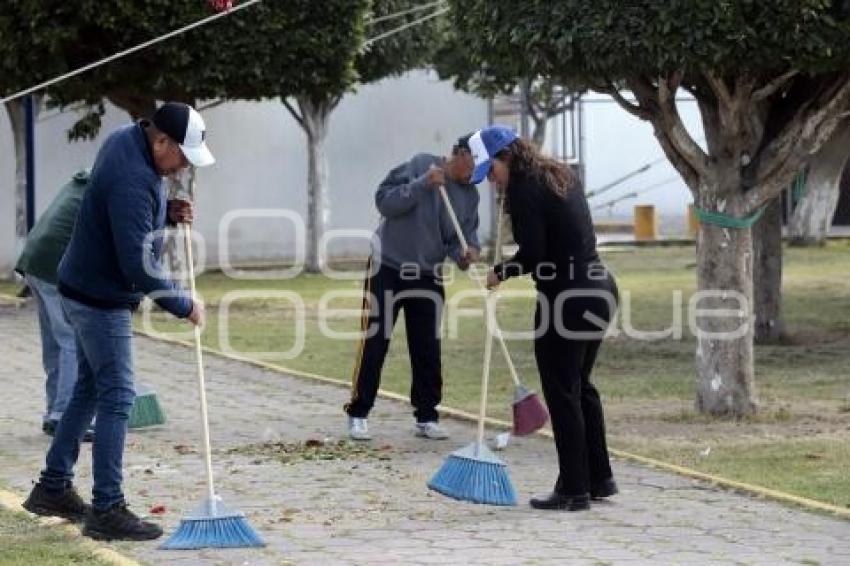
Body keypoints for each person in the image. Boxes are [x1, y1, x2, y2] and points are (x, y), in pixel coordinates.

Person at [22, 102, 213, 541]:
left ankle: (52, 487)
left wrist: (165, 212)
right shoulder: (136, 179)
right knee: (117, 396)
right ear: (161, 140)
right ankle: (107, 509)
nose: (182, 164)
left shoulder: (126, 139)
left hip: (79, 283)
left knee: (89, 389)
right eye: (182, 155)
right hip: (99, 298)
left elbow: (119, 216)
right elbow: (137, 265)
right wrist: (184, 304)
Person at [473, 125, 619, 511]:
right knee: (581, 386)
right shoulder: (558, 174)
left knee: (562, 391)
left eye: (490, 171)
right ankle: (599, 478)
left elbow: (534, 253)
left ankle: (573, 489)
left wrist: (499, 272)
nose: (491, 181)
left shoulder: (523, 188)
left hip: (566, 300)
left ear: (504, 157)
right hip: (600, 288)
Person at [346, 135, 479, 441]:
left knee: (427, 346)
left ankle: (427, 416)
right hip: (387, 266)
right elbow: (385, 202)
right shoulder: (419, 165)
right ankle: (358, 412)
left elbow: (462, 239)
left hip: (428, 274)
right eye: (473, 163)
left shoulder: (470, 195)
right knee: (375, 339)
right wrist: (421, 184)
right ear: (458, 154)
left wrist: (466, 253)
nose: (475, 173)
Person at [15, 171, 93, 441]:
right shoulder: (100, 191)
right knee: (71, 339)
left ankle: (54, 412)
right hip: (52, 268)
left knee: (55, 342)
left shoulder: (79, 184)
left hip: (34, 262)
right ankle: (63, 416)